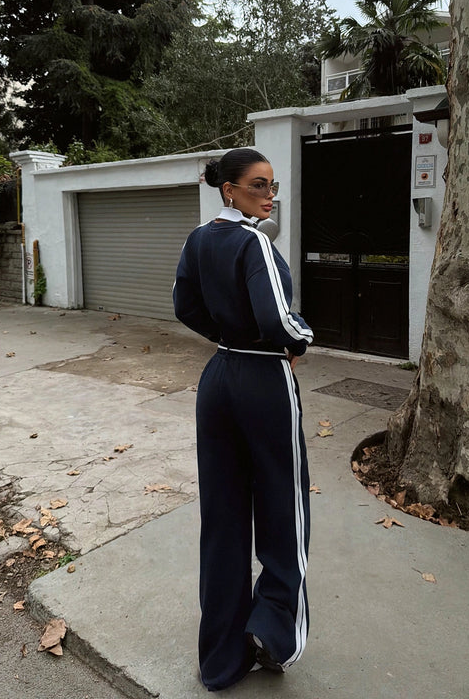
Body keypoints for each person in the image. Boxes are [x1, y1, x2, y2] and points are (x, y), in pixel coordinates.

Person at [173, 147, 313, 692]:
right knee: (284, 508)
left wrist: (227, 336)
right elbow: (278, 319)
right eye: (258, 185)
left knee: (223, 516)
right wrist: (301, 338)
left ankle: (221, 658)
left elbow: (184, 305)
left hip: (218, 380)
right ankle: (273, 632)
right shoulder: (254, 242)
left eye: (272, 186)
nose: (268, 195)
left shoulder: (198, 239)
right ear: (228, 189)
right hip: (263, 382)